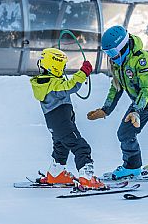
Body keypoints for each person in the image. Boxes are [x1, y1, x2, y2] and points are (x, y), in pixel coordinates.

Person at [87, 25, 148, 187]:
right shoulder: (118, 63)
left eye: (112, 53)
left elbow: (146, 88)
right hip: (139, 104)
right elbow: (116, 88)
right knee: (124, 133)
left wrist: (135, 111)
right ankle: (132, 167)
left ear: (123, 46)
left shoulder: (142, 59)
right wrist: (105, 110)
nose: (111, 57)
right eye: (107, 54)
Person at [30, 47, 105, 189]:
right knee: (81, 147)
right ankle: (87, 178)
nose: (64, 69)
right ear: (55, 66)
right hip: (63, 122)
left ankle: (56, 174)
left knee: (61, 147)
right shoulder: (54, 85)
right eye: (63, 66)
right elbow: (71, 86)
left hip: (55, 124)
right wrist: (83, 72)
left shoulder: (44, 83)